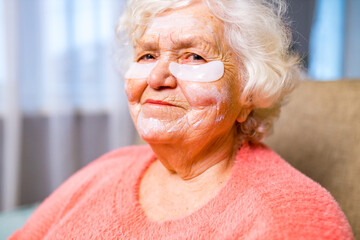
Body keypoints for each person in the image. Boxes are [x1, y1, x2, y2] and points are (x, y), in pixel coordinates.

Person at [10, 0, 354, 239]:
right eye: (147, 54)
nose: (157, 76)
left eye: (193, 56)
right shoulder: (109, 168)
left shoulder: (292, 216)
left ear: (249, 92)